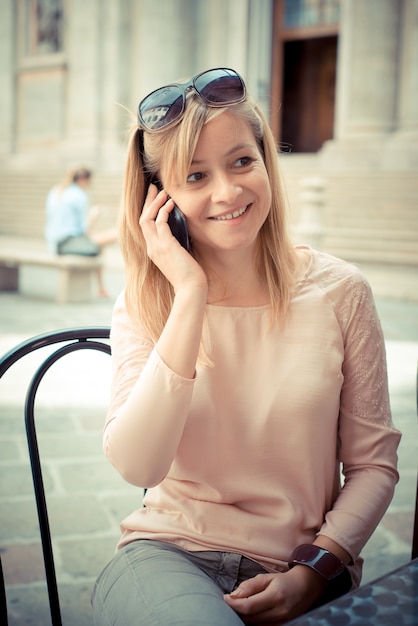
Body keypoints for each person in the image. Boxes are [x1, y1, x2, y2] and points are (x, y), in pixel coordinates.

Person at [91, 68, 401, 625]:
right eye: (195, 176)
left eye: (241, 161)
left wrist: (315, 569)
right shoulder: (146, 303)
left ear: (265, 162)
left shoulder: (340, 291)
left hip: (305, 562)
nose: (228, 191)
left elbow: (373, 466)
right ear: (161, 199)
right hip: (169, 555)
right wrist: (190, 295)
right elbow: (138, 461)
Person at [45, 167, 118, 297]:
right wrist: (95, 215)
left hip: (54, 242)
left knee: (99, 240)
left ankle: (101, 288)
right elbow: (84, 229)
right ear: (83, 180)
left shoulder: (56, 191)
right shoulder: (79, 195)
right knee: (115, 234)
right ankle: (101, 288)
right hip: (67, 243)